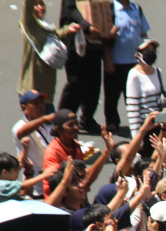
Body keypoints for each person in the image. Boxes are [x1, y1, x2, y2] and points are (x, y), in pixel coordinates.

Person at [58, 0, 110, 133]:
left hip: (95, 44)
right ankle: (62, 120)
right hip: (77, 43)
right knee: (76, 83)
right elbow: (71, 10)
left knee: (94, 83)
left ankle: (87, 118)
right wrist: (87, 26)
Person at [18, 0, 79, 108]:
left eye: (42, 4)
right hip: (33, 86)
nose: (40, 7)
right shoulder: (29, 25)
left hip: (47, 86)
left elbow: (55, 39)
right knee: (39, 121)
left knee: (47, 119)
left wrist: (68, 30)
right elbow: (27, 4)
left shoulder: (47, 25)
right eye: (36, 5)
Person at [103, 0, 150, 132]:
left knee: (134, 93)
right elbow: (105, 38)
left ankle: (136, 121)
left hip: (134, 61)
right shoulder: (111, 9)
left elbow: (143, 33)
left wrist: (146, 55)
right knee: (112, 94)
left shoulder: (137, 9)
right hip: (116, 60)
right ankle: (111, 121)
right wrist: (107, 59)